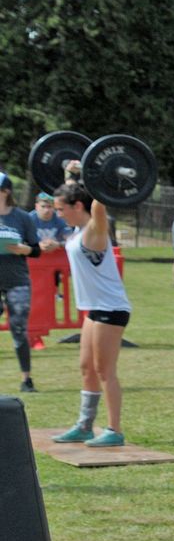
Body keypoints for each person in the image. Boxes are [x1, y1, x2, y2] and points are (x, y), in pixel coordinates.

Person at [53, 174, 131, 446]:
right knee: (86, 367)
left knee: (104, 370)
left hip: (111, 309)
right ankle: (85, 425)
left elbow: (98, 205)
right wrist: (72, 176)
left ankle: (114, 430)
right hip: (93, 309)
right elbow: (77, 195)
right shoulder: (76, 233)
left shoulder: (94, 231)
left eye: (62, 209)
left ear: (78, 206)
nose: (58, 214)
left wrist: (95, 174)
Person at [0, 174, 40, 392]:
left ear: (5, 192)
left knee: (18, 329)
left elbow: (36, 250)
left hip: (17, 281)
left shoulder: (22, 218)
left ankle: (27, 379)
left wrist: (25, 249)